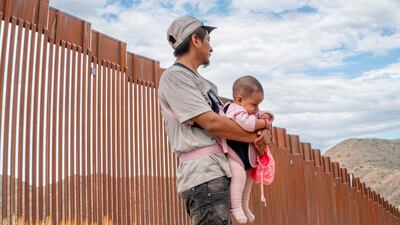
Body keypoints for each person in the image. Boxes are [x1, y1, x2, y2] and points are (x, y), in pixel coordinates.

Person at [158, 16, 272, 225]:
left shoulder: (206, 84)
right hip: (203, 174)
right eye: (208, 40)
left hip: (218, 171)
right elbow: (212, 123)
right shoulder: (174, 77)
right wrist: (255, 135)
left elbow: (237, 119)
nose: (211, 48)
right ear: (195, 40)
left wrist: (264, 132)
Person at [220, 76, 274, 223]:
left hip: (247, 157)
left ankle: (245, 205)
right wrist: (264, 122)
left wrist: (266, 116)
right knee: (239, 178)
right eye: (254, 105)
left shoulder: (249, 109)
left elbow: (266, 115)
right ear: (239, 99)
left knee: (249, 180)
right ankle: (235, 207)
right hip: (234, 154)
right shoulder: (233, 110)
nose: (257, 109)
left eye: (259, 105)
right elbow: (248, 125)